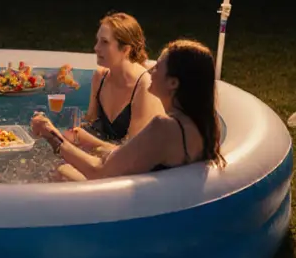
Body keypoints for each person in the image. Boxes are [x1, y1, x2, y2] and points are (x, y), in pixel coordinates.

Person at [31, 39, 225, 180]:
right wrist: (90, 142)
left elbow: (99, 171)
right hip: (167, 207)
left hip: (134, 213)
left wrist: (52, 135)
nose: (149, 71)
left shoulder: (164, 127)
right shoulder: (205, 124)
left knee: (62, 172)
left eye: (157, 68)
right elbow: (134, 154)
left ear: (173, 83)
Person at [82, 12, 163, 142]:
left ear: (126, 50)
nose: (96, 48)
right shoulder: (100, 77)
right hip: (110, 155)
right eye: (97, 41)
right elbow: (90, 125)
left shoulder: (144, 85)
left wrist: (85, 143)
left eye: (105, 42)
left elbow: (133, 149)